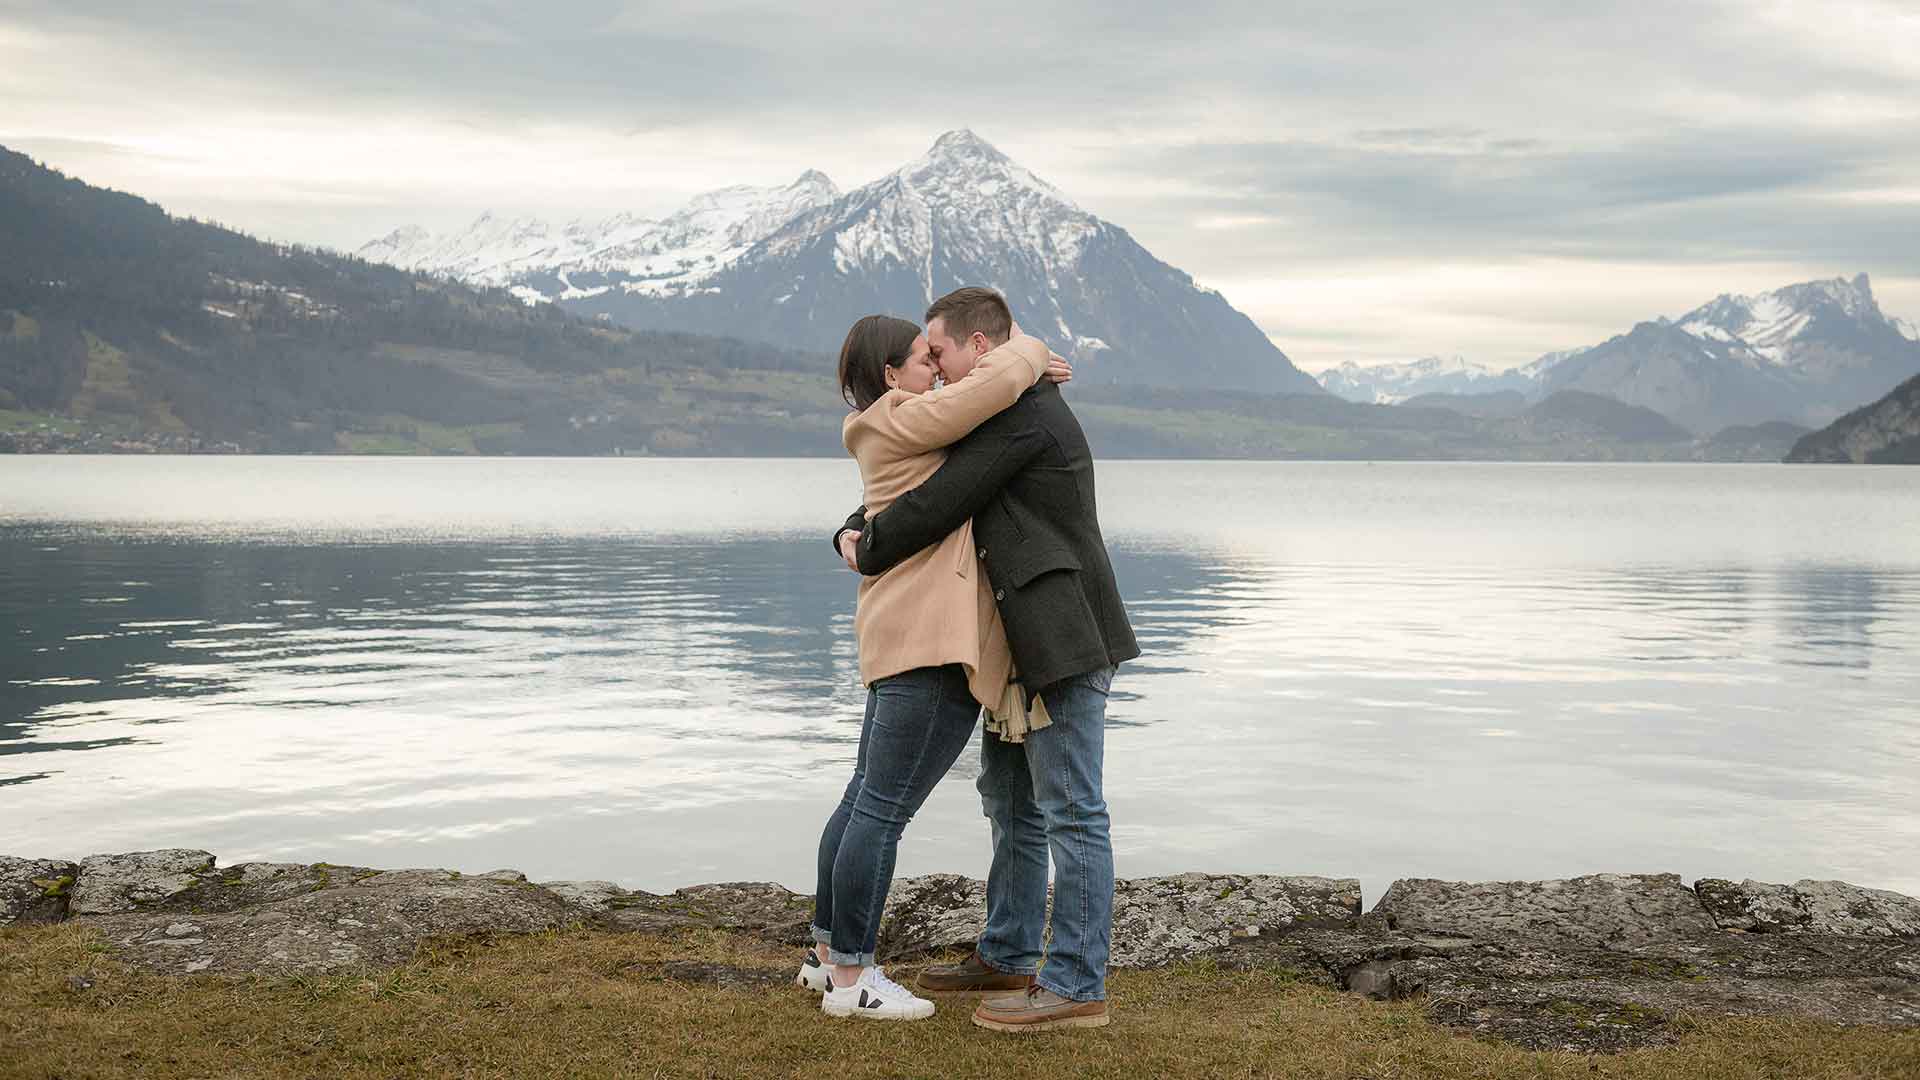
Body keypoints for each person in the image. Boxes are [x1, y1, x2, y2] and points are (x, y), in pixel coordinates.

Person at [833, 286, 1139, 1033]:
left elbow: (939, 501)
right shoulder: (1001, 405)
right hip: (1018, 646)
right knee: (1011, 804)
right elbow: (913, 473)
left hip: (1061, 638)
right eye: (924, 357)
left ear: (982, 349)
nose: (933, 368)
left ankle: (1075, 984)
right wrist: (850, 525)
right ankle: (1006, 951)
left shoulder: (1023, 416)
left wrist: (865, 546)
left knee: (1072, 811)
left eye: (938, 351)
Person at [802, 311, 1072, 1021]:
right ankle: (854, 980)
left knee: (863, 796)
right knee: (883, 812)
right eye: (926, 360)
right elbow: (996, 382)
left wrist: (847, 530)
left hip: (896, 633)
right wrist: (1031, 350)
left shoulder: (891, 424)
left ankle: (827, 953)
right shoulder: (907, 418)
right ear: (892, 375)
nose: (939, 371)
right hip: (928, 641)